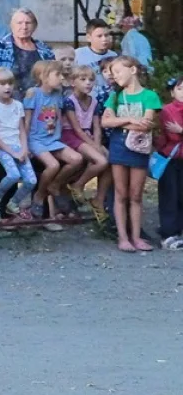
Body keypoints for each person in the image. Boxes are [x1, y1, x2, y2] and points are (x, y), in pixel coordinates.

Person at [102, 56, 159, 253]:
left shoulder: (150, 96)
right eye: (113, 73)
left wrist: (119, 120)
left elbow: (145, 124)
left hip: (139, 147)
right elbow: (105, 122)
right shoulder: (115, 96)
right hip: (119, 146)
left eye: (118, 71)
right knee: (120, 193)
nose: (114, 76)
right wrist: (128, 119)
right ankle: (123, 237)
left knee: (135, 195)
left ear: (132, 70)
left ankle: (136, 236)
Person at [24, 59, 83, 228]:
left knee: (77, 159)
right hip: (36, 139)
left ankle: (54, 184)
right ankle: (39, 196)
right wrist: (25, 144)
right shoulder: (33, 93)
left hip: (53, 140)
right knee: (53, 165)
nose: (61, 78)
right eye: (57, 75)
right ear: (43, 77)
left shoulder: (58, 95)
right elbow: (26, 121)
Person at [0, 66, 37, 222]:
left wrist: (24, 149)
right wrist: (13, 153)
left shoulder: (18, 105)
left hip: (17, 146)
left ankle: (13, 203)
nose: (7, 87)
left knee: (31, 180)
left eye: (10, 83)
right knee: (13, 174)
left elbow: (21, 130)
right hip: (0, 146)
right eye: (2, 84)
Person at [61, 64, 110, 226]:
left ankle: (99, 199)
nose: (88, 83)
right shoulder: (69, 101)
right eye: (83, 79)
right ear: (73, 82)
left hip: (87, 136)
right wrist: (95, 148)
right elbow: (76, 129)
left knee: (109, 158)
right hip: (71, 135)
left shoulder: (93, 101)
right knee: (101, 161)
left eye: (91, 80)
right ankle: (78, 185)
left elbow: (96, 127)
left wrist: (97, 144)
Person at [0, 8, 55, 95]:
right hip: (9, 99)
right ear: (12, 25)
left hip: (39, 99)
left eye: (28, 23)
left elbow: (53, 75)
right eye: (19, 23)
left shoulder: (45, 49)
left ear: (35, 26)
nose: (24, 27)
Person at [158, 78, 183, 250]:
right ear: (172, 92)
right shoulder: (167, 110)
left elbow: (177, 132)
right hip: (171, 158)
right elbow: (169, 136)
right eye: (180, 88)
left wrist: (181, 130)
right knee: (170, 196)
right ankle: (169, 233)